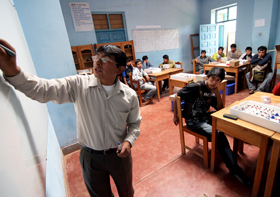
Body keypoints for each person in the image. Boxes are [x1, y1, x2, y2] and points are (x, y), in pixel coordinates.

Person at [0, 39, 141, 197]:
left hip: (119, 156)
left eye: (105, 60)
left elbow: (135, 124)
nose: (98, 63)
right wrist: (13, 71)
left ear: (119, 69)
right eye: (96, 58)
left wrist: (128, 142)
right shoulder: (79, 85)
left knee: (127, 192)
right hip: (91, 158)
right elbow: (43, 89)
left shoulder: (129, 95)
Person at [173, 67, 252, 186]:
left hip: (205, 117)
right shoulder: (195, 86)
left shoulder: (213, 90)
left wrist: (217, 94)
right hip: (193, 121)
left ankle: (229, 149)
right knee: (219, 134)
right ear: (207, 77)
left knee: (227, 121)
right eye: (212, 78)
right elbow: (177, 96)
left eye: (218, 80)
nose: (214, 82)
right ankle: (235, 170)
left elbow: (220, 109)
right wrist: (176, 116)